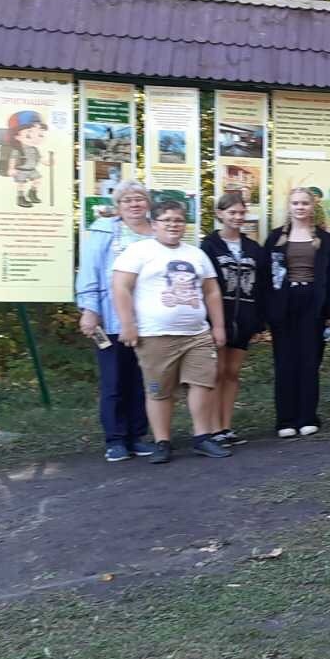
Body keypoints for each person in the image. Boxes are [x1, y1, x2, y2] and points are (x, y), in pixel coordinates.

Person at [110, 200, 231, 462]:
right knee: (159, 390)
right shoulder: (138, 251)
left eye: (178, 220)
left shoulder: (196, 254)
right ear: (154, 224)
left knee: (202, 384)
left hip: (197, 334)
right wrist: (128, 324)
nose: (173, 225)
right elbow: (120, 287)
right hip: (155, 335)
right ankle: (162, 442)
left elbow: (211, 291)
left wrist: (218, 326)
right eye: (166, 220)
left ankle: (202, 437)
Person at [76, 180, 159, 461]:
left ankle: (138, 436)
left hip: (150, 319)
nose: (134, 204)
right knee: (114, 380)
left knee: (142, 380)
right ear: (118, 206)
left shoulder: (157, 231)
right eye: (127, 200)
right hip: (110, 319)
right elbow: (90, 271)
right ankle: (115, 439)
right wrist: (89, 309)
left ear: (148, 203)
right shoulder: (103, 232)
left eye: (139, 199)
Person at [264, 187, 330, 438]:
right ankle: (285, 419)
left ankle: (307, 416)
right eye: (295, 203)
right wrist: (268, 312)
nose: (300, 207)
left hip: (313, 304)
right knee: (285, 362)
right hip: (284, 304)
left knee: (309, 361)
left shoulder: (326, 240)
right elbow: (266, 277)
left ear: (312, 207)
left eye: (305, 203)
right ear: (289, 207)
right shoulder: (275, 238)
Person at [200, 193, 268, 445]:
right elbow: (204, 286)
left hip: (245, 319)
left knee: (232, 372)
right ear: (220, 214)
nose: (237, 217)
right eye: (232, 213)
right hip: (217, 318)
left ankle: (227, 426)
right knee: (215, 373)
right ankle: (213, 428)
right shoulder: (209, 246)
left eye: (241, 213)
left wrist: (260, 322)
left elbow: (262, 286)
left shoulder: (253, 248)